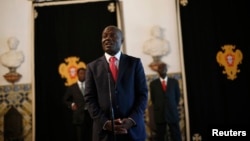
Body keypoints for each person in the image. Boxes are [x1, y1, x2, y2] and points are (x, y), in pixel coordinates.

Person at [84, 25, 148, 141]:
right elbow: (89, 99)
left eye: (112, 35)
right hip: (104, 134)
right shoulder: (92, 67)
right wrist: (105, 123)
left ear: (121, 40)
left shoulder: (134, 64)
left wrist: (131, 120)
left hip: (132, 131)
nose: (107, 38)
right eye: (104, 36)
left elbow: (142, 95)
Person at [149, 63, 182, 141]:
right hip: (160, 113)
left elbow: (177, 97)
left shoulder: (174, 82)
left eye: (164, 68)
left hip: (172, 112)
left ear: (166, 69)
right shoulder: (153, 84)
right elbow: (153, 99)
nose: (162, 70)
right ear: (157, 70)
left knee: (176, 134)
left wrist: (171, 106)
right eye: (160, 68)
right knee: (160, 136)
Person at [63, 67, 92, 141]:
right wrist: (71, 104)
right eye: (81, 73)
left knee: (91, 136)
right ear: (77, 75)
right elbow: (65, 99)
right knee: (80, 137)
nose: (83, 75)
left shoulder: (90, 86)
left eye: (84, 73)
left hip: (90, 116)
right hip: (79, 117)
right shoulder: (72, 87)